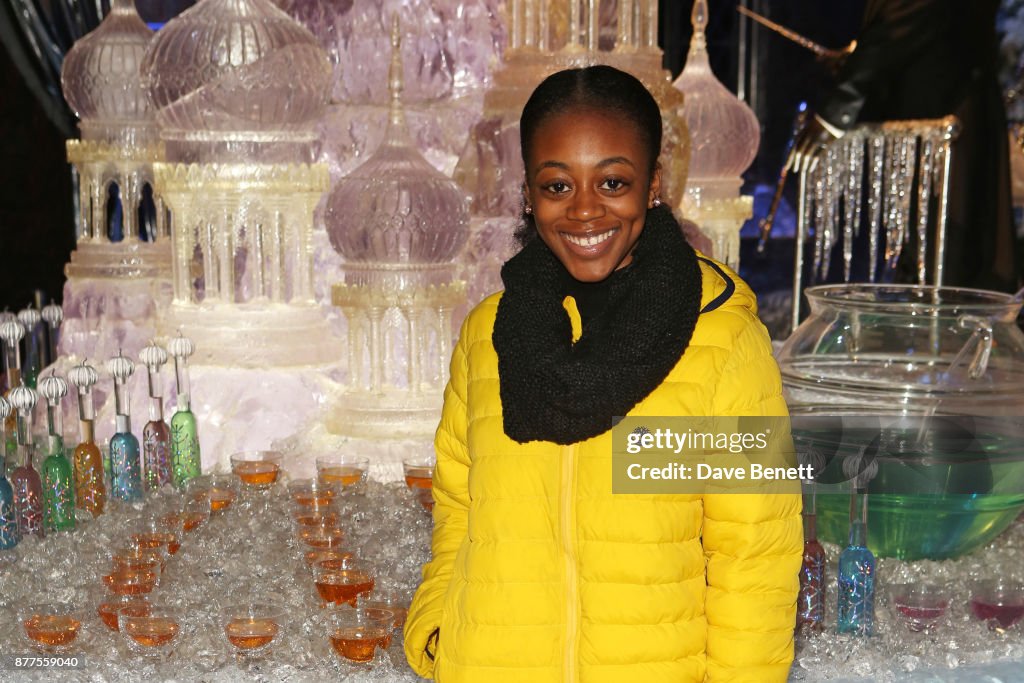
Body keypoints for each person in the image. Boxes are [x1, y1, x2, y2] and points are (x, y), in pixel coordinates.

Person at [404, 65, 802, 682]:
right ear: (528, 195)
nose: (585, 210)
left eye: (612, 181)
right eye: (557, 186)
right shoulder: (489, 335)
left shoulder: (721, 342)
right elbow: (458, 507)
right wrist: (438, 635)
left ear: (652, 186)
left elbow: (754, 557)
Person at [790, 0, 1018, 292]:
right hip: (936, 109)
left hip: (944, 117)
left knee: (948, 249)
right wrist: (857, 58)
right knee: (933, 248)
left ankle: (942, 329)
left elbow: (905, 18)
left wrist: (838, 108)